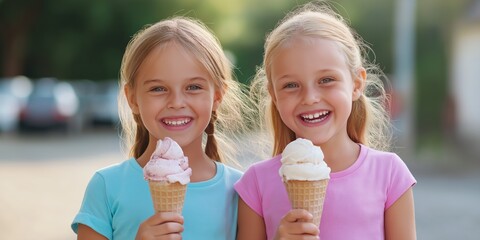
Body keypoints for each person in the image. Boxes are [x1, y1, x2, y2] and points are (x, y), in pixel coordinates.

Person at [234, 2, 417, 240]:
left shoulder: (390, 174)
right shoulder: (256, 185)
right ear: (274, 95)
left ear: (357, 84)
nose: (310, 98)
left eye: (326, 80)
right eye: (291, 85)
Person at [71, 16, 253, 240]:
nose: (176, 102)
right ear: (133, 99)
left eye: (193, 87)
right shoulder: (107, 187)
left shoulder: (241, 192)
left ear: (217, 96)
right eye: (158, 89)